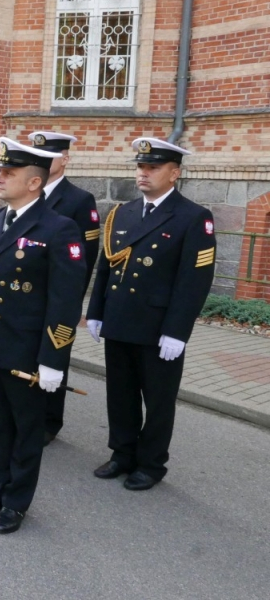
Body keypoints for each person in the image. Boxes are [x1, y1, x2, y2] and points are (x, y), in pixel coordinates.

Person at [0, 137, 87, 534]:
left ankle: (16, 501)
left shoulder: (60, 228)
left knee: (25, 431)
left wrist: (53, 359)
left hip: (25, 350)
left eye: (8, 173)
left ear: (33, 183)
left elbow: (64, 301)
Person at [87, 137, 216, 491]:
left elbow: (194, 280)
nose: (143, 174)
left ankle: (152, 463)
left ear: (174, 173)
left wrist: (177, 331)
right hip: (120, 319)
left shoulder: (193, 217)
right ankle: (122, 453)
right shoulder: (122, 212)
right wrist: (96, 311)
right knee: (121, 392)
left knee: (157, 400)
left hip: (158, 326)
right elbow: (106, 267)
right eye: (140, 167)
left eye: (153, 167)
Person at [31, 131, 101, 445]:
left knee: (54, 354)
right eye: (39, 155)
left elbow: (86, 256)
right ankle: (26, 413)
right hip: (26, 292)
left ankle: (49, 421)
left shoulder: (79, 200)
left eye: (52, 155)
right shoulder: (27, 189)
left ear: (66, 159)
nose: (45, 160)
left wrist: (72, 304)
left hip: (57, 294)